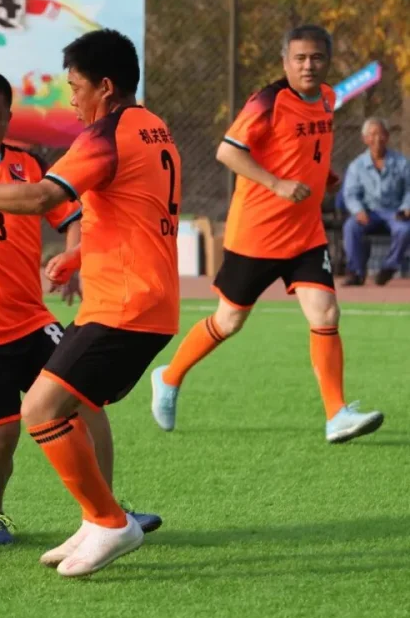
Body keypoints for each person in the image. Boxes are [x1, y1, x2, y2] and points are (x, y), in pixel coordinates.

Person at [0, 30, 180, 577]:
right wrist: (79, 255)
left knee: (40, 409)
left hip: (124, 307)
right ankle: (98, 517)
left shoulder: (106, 135)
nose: (71, 99)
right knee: (67, 406)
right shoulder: (153, 127)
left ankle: (109, 521)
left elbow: (44, 197)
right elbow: (138, 216)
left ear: (105, 87)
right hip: (138, 301)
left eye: (75, 87)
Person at [150, 25, 385, 444]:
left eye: (316, 57)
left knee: (326, 314)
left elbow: (303, 147)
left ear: (328, 61)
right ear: (285, 62)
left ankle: (336, 415)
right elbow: (227, 151)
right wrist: (277, 184)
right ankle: (169, 377)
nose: (308, 65)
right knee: (229, 321)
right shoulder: (267, 101)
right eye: (300, 58)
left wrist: (324, 173)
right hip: (257, 234)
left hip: (305, 234)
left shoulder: (327, 98)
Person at [341, 117, 410, 286]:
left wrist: (406, 207)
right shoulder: (356, 166)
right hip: (368, 213)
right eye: (372, 135)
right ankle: (356, 272)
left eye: (381, 134)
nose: (377, 139)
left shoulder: (401, 162)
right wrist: (358, 210)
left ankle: (389, 267)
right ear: (365, 139)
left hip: (394, 213)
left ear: (387, 137)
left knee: (404, 230)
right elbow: (350, 194)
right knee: (350, 227)